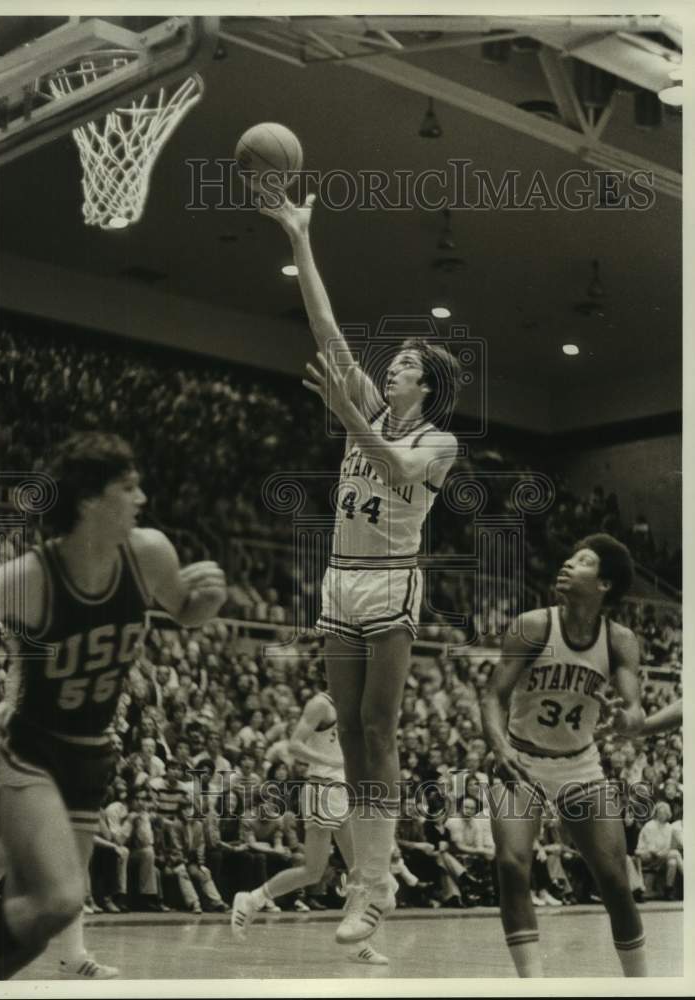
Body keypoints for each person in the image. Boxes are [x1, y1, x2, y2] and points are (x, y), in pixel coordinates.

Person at [0, 432, 227, 980]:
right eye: (128, 488)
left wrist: (204, 603)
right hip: (27, 750)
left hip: (93, 751)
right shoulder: (32, 578)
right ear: (90, 501)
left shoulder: (152, 552)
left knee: (54, 905)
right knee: (58, 895)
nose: (141, 499)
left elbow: (184, 610)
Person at [259, 193, 459, 945]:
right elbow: (325, 327)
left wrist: (346, 416)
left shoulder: (439, 442)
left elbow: (394, 468)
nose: (391, 367)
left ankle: (372, 885)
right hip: (339, 579)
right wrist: (301, 238)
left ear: (426, 385)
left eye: (405, 364)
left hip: (390, 581)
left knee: (379, 727)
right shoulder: (368, 404)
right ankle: (364, 883)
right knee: (348, 734)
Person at [480, 533, 648, 977]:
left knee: (615, 879)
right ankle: (533, 983)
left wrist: (630, 717)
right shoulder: (533, 625)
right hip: (521, 759)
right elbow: (492, 696)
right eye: (570, 558)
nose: (569, 565)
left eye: (584, 561)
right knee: (512, 864)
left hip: (580, 763)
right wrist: (498, 747)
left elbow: (633, 707)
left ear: (605, 584)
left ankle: (641, 983)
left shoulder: (620, 640)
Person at [231, 690, 388, 965]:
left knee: (359, 869)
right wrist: (336, 762)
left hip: (345, 791)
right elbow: (294, 745)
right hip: (322, 788)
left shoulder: (356, 704)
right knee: (313, 870)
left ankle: (357, 942)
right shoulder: (322, 704)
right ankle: (251, 899)